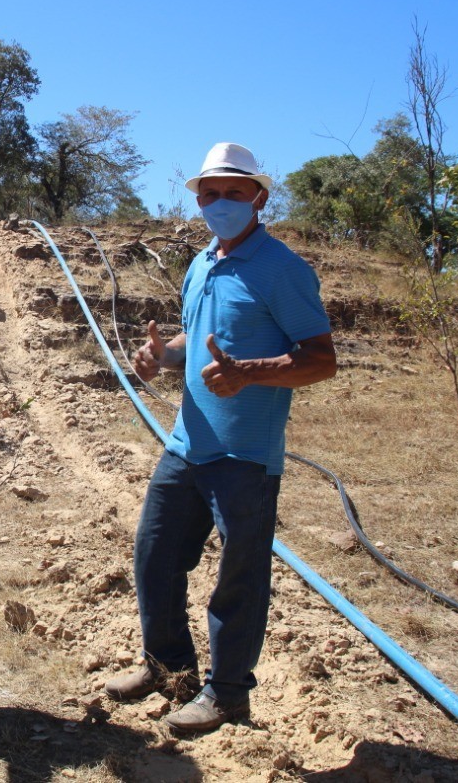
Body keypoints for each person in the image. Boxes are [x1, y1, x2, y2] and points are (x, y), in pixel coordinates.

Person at [105, 142, 338, 734]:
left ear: (259, 197)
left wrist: (250, 372)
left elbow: (321, 359)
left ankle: (228, 693)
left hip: (245, 457)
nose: (220, 203)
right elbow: (198, 336)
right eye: (210, 194)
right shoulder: (203, 261)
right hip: (188, 443)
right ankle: (167, 667)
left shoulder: (281, 268)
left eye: (234, 192)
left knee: (238, 578)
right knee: (155, 555)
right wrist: (162, 356)